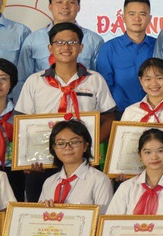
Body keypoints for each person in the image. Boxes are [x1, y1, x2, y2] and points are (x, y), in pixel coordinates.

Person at [15, 22, 117, 204]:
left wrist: (89, 145)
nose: (66, 47)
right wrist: (26, 157)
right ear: (50, 48)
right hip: (42, 163)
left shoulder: (95, 80)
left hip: (82, 161)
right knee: (40, 214)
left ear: (81, 47)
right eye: (60, 42)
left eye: (72, 42)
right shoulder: (34, 81)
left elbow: (108, 118)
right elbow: (22, 122)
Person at [17, 0, 102, 89]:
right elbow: (22, 79)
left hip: (82, 96)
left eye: (71, 2)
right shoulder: (33, 40)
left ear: (79, 7)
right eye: (59, 2)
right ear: (50, 6)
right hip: (43, 97)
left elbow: (99, 81)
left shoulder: (94, 40)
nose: (65, 7)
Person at [94, 0, 156, 111]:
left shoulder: (158, 46)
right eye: (132, 14)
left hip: (156, 111)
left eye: (142, 14)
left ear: (149, 18)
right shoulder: (109, 48)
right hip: (120, 113)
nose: (137, 19)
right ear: (123, 17)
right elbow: (104, 86)